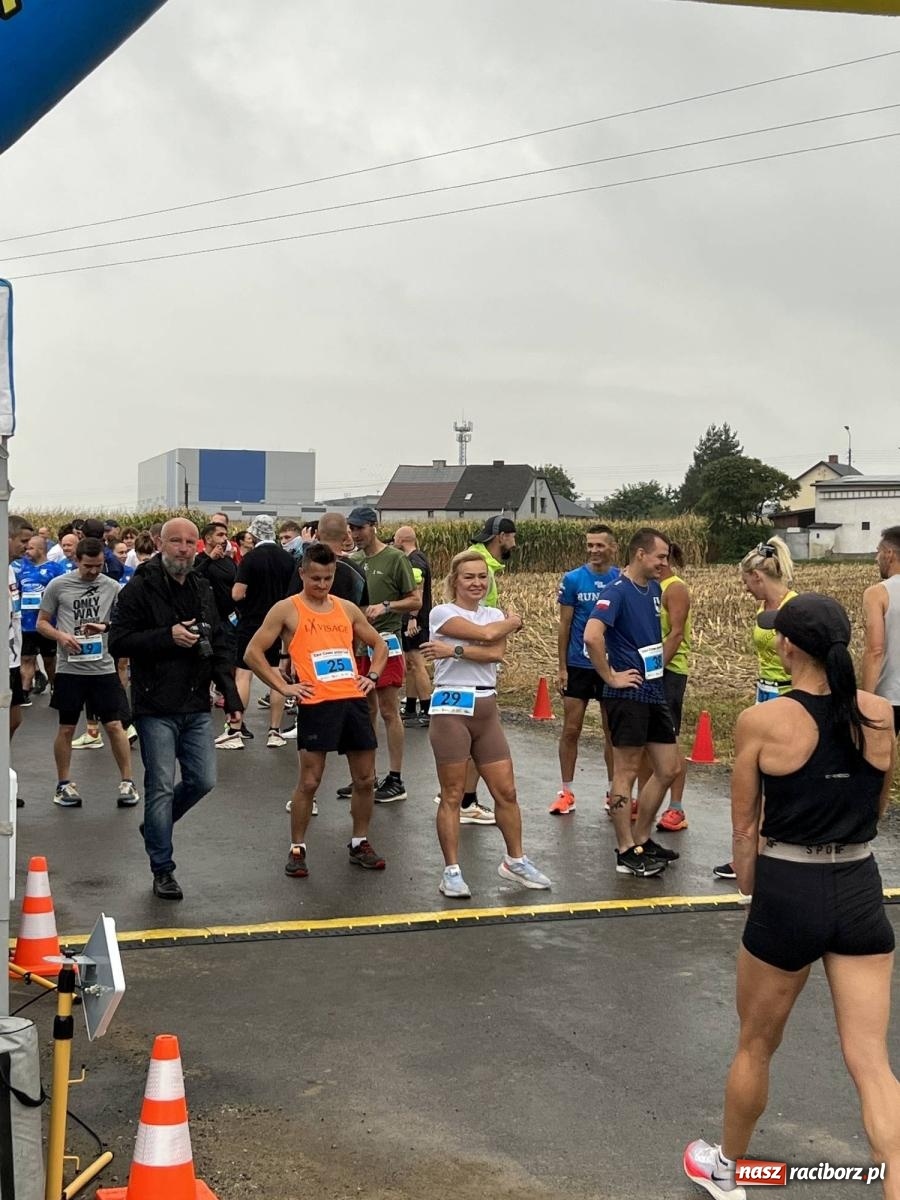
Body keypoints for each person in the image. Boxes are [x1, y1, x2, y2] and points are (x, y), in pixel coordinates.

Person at [683, 594, 899, 1200]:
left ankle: (727, 1169)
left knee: (755, 1043)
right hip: (859, 886)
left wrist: (755, 886)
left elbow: (744, 829)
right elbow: (876, 810)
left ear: (787, 646)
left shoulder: (764, 720)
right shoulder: (880, 713)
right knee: (872, 1063)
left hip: (787, 888)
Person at [109, 518, 243, 900]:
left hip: (197, 701)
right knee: (160, 787)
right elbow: (119, 642)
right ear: (159, 543)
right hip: (155, 705)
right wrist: (167, 637)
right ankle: (163, 868)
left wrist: (231, 697)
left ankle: (156, 827)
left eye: (189, 542)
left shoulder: (201, 585)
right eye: (175, 542)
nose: (183, 549)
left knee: (203, 780)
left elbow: (218, 640)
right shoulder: (139, 587)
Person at [244, 543, 389, 877]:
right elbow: (253, 652)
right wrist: (283, 686)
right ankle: (297, 848)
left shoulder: (347, 609)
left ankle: (359, 842)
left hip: (352, 701)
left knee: (365, 780)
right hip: (316, 704)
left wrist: (373, 676)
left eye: (327, 578)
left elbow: (379, 644)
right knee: (310, 782)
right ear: (302, 574)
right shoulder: (287, 609)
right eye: (315, 578)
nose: (322, 585)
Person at [421, 550, 551, 898]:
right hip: (451, 705)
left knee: (506, 792)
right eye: (469, 577)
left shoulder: (492, 613)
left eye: (482, 576)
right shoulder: (442, 613)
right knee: (451, 794)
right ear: (455, 581)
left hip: (486, 705)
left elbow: (495, 651)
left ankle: (515, 860)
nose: (477, 583)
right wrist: (512, 622)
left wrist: (455, 651)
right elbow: (489, 635)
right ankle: (451, 871)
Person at [583, 528, 680, 878]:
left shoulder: (653, 588)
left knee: (669, 768)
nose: (664, 563)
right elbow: (592, 636)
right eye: (660, 557)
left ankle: (642, 838)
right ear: (640, 554)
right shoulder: (616, 591)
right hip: (627, 694)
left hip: (653, 689)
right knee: (625, 771)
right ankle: (625, 849)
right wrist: (610, 676)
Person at [713, 536, 797, 881]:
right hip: (764, 693)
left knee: (779, 779)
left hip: (788, 696)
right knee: (757, 778)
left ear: (758, 577)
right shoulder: (764, 609)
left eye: (746, 582)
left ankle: (770, 853)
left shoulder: (793, 608)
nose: (745, 589)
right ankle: (753, 852)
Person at [37, 537, 139, 809]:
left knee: (115, 725)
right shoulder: (58, 585)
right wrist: (60, 636)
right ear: (76, 561)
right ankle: (63, 784)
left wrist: (103, 628)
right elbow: (42, 623)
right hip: (70, 668)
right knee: (67, 727)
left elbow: (125, 623)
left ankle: (127, 782)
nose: (94, 572)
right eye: (88, 567)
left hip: (102, 667)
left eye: (98, 566)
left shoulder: (113, 587)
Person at [347, 506, 418, 803]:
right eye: (351, 529)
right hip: (359, 644)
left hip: (386, 642)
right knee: (366, 711)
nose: (355, 535)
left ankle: (396, 778)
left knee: (389, 710)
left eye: (360, 529)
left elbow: (414, 599)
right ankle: (367, 777)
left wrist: (386, 606)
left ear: (373, 526)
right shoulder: (353, 560)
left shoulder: (395, 559)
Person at [553, 524, 619, 815]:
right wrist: (561, 667)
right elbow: (564, 625)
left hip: (610, 666)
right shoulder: (573, 579)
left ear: (612, 548)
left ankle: (613, 791)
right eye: (590, 545)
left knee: (611, 732)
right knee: (571, 729)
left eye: (599, 545)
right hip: (578, 665)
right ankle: (566, 792)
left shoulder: (621, 580)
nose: (593, 550)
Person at [225, 514, 295, 749]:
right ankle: (274, 730)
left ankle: (235, 730)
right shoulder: (288, 559)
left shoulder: (250, 558)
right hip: (278, 623)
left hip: (252, 622)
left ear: (254, 533)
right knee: (274, 674)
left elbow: (237, 593)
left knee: (244, 674)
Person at [651, 542, 693, 832]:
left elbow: (676, 634)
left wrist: (656, 668)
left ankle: (676, 807)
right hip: (648, 669)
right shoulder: (647, 585)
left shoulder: (674, 588)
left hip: (670, 671)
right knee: (645, 741)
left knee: (669, 739)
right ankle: (646, 800)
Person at [392, 525, 433, 727]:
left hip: (415, 619)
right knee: (409, 665)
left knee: (417, 663)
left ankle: (427, 709)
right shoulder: (414, 558)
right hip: (411, 618)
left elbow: (417, 588)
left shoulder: (414, 560)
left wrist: (412, 617)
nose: (393, 543)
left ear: (401, 540)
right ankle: (410, 707)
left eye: (395, 539)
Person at [15, 534, 64, 701]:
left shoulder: (56, 569)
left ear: (41, 549)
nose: (26, 551)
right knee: (26, 658)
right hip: (26, 623)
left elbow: (61, 594)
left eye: (30, 548)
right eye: (26, 548)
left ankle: (55, 686)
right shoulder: (21, 569)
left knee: (49, 661)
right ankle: (24, 691)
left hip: (46, 623)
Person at [862, 526, 900, 735]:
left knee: (879, 760)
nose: (877, 558)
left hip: (890, 694)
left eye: (878, 551)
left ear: (889, 554)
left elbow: (875, 651)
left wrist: (865, 700)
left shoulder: (878, 593)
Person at [8, 516, 34, 806]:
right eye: (22, 542)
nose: (26, 548)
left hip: (12, 660)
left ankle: (4, 776)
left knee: (14, 720)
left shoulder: (12, 571)